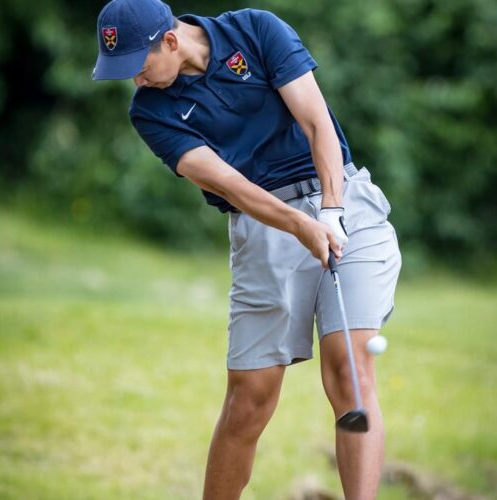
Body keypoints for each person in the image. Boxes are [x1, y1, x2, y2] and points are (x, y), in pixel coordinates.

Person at [92, 0, 402, 498]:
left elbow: (317, 122)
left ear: (169, 41)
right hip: (264, 226)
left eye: (138, 66)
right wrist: (299, 225)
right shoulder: (150, 111)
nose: (136, 81)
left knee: (349, 368)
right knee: (249, 399)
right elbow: (230, 185)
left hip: (344, 204)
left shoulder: (255, 29)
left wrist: (331, 210)